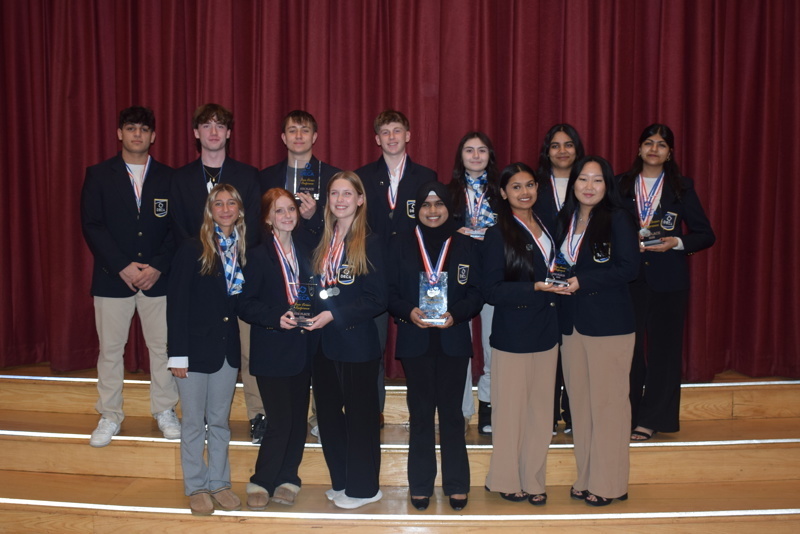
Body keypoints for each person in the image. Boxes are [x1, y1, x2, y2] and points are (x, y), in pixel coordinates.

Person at [80, 106, 180, 447]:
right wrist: (122, 265)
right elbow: (92, 225)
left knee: (163, 349)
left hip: (158, 279)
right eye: (131, 128)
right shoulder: (98, 174)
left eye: (143, 129)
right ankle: (110, 414)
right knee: (110, 350)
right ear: (119, 133)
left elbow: (177, 229)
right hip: (112, 277)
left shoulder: (169, 177)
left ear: (153, 136)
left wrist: (158, 266)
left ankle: (165, 410)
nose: (137, 134)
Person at [170, 103, 266, 444]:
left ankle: (258, 415)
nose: (213, 131)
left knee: (249, 352)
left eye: (220, 125)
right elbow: (179, 229)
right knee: (203, 349)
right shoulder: (179, 178)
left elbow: (253, 228)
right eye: (206, 125)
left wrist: (234, 264)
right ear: (196, 133)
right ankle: (198, 417)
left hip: (241, 281)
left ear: (228, 133)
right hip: (199, 283)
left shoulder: (248, 174)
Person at [388, 181, 482, 511]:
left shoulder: (465, 243)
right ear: (417, 209)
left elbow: (476, 293)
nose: (432, 210)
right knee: (422, 415)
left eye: (438, 204)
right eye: (426, 205)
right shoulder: (400, 244)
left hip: (452, 338)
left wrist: (456, 315)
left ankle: (457, 483)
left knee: (453, 416)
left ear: (449, 208)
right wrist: (406, 311)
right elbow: (390, 293)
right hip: (416, 340)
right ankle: (421, 484)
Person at [618, 124, 716, 441]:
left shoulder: (681, 188)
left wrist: (676, 242)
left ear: (669, 152)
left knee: (664, 352)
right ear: (639, 148)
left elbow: (705, 235)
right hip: (628, 281)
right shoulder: (620, 185)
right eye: (648, 143)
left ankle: (652, 419)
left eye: (661, 145)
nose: (654, 149)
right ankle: (626, 415)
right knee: (626, 352)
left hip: (669, 282)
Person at [554, 156, 639, 506]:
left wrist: (581, 281)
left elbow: (629, 268)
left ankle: (610, 483)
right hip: (572, 325)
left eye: (597, 180)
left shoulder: (617, 219)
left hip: (609, 326)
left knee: (609, 407)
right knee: (582, 407)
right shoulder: (564, 220)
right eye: (583, 179)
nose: (589, 186)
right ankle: (587, 476)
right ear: (572, 183)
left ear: (608, 186)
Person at [303, 171, 387, 509]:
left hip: (356, 343)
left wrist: (334, 315)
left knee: (360, 417)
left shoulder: (370, 241)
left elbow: (377, 299)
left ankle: (365, 488)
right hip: (322, 343)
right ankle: (343, 481)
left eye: (347, 194)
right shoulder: (322, 241)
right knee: (328, 416)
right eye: (335, 194)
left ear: (360, 199)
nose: (340, 200)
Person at [482, 163, 561, 505]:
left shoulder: (548, 224)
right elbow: (491, 290)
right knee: (510, 412)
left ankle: (533, 479)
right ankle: (504, 478)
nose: (524, 192)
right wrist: (536, 287)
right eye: (516, 187)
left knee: (541, 413)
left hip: (548, 330)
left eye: (530, 185)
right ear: (503, 193)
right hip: (513, 333)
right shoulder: (496, 233)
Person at [167, 183, 246, 515]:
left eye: (231, 203)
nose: (225, 209)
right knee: (192, 423)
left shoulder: (243, 250)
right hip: (193, 353)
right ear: (209, 211)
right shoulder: (192, 248)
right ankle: (196, 486)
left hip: (226, 351)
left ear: (239, 210)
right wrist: (177, 353)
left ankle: (219, 482)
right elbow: (177, 303)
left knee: (220, 421)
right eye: (218, 204)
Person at [238, 188, 318, 509]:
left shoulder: (307, 250)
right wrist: (276, 318)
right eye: (279, 211)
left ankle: (289, 478)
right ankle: (262, 479)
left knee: (298, 419)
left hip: (302, 347)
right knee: (281, 420)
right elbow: (245, 305)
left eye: (290, 210)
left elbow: (314, 293)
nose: (286, 215)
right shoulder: (258, 256)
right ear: (268, 218)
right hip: (272, 349)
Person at [356, 109, 438, 422]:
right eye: (385, 132)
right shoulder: (362, 176)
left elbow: (433, 223)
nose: (391, 137)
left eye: (397, 130)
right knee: (372, 347)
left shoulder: (426, 176)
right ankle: (372, 409)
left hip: (412, 273)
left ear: (408, 136)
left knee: (418, 348)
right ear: (377, 139)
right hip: (372, 273)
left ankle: (423, 410)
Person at [534, 123, 587, 436]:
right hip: (543, 280)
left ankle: (574, 413)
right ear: (547, 151)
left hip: (579, 282)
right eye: (555, 145)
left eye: (568, 144)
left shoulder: (589, 182)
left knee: (576, 352)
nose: (563, 150)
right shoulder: (535, 185)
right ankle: (550, 414)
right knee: (546, 349)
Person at [447, 131, 500, 435]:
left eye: (482, 150)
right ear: (461, 156)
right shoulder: (448, 191)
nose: (476, 156)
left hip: (493, 273)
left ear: (490, 155)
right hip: (461, 276)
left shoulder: (502, 190)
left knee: (493, 344)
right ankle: (462, 409)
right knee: (461, 345)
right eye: (470, 150)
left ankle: (489, 406)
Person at [259, 110, 341, 248]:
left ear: (314, 137)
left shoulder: (333, 177)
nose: (298, 136)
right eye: (292, 130)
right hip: (275, 256)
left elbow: (342, 221)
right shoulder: (265, 177)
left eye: (305, 130)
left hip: (316, 255)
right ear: (284, 138)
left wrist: (314, 216)